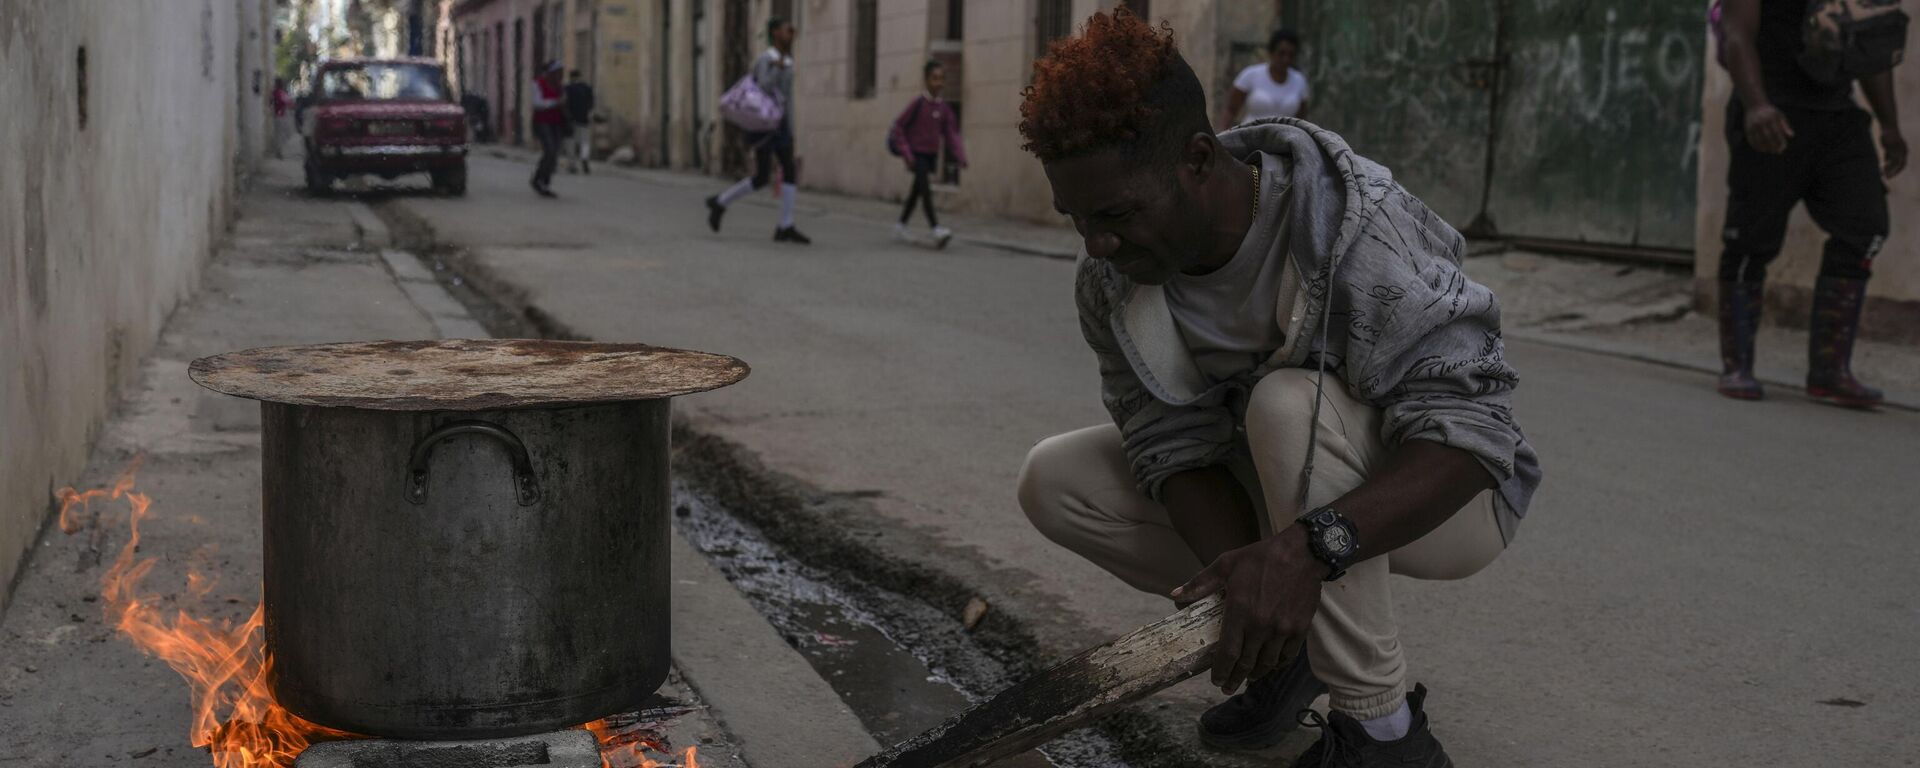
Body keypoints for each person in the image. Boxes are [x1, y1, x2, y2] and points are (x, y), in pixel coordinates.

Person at [1014, 11, 1540, 766]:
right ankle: (1290, 653)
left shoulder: (1352, 228)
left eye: (1117, 214)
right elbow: (1170, 446)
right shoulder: (1111, 280)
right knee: (1055, 481)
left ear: (1198, 159)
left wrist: (1304, 554)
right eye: (1077, 219)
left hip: (1449, 500)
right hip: (1293, 498)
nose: (1097, 244)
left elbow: (1473, 435)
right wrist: (1263, 590)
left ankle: (1385, 736)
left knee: (1287, 402)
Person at [1714, 0, 1905, 407]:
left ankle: (1830, 371)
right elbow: (1736, 33)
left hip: (1837, 117)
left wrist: (1889, 125)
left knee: (1866, 226)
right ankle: (1737, 365)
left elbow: (1871, 44)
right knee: (1750, 241)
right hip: (1771, 110)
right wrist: (1756, 105)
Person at [704, 16, 810, 245]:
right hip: (765, 125)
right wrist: (776, 69)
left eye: (791, 30)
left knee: (779, 172)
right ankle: (723, 203)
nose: (790, 33)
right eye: (785, 30)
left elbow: (787, 99)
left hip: (780, 125)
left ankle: (783, 223)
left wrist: (791, 128)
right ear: (775, 34)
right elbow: (763, 87)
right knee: (768, 174)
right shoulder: (767, 59)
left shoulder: (787, 60)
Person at [889, 60, 968, 246]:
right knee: (925, 191)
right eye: (934, 78)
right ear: (926, 80)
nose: (938, 82)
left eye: (941, 78)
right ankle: (936, 228)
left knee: (916, 192)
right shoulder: (918, 103)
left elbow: (951, 134)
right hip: (916, 155)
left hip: (931, 156)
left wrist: (960, 156)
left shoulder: (944, 109)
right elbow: (899, 127)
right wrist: (907, 154)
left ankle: (900, 225)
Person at [1219, 29, 1310, 128]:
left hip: (1286, 140)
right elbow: (1231, 110)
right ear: (1271, 52)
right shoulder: (1250, 75)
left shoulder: (1299, 80)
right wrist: (1221, 138)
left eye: (1291, 55)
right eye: (1281, 53)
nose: (1286, 59)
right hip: (1251, 137)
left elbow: (1301, 119)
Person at [529, 61, 566, 197]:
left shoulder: (560, 87)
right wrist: (555, 102)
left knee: (554, 153)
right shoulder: (538, 83)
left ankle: (544, 181)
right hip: (542, 122)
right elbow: (537, 103)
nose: (559, 75)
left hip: (557, 123)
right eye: (557, 72)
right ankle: (539, 178)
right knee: (549, 151)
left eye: (560, 73)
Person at [564, 69, 596, 174]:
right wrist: (588, 113)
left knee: (571, 142)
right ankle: (584, 159)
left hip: (570, 120)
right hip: (584, 119)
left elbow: (564, 104)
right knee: (585, 142)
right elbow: (591, 104)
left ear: (571, 77)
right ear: (580, 76)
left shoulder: (567, 89)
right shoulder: (587, 88)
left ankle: (572, 164)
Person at [270, 77, 293, 159]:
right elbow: (287, 102)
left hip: (282, 115)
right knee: (280, 134)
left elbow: (290, 103)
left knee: (284, 133)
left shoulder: (281, 93)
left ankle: (279, 150)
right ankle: (279, 151)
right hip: (280, 115)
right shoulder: (277, 93)